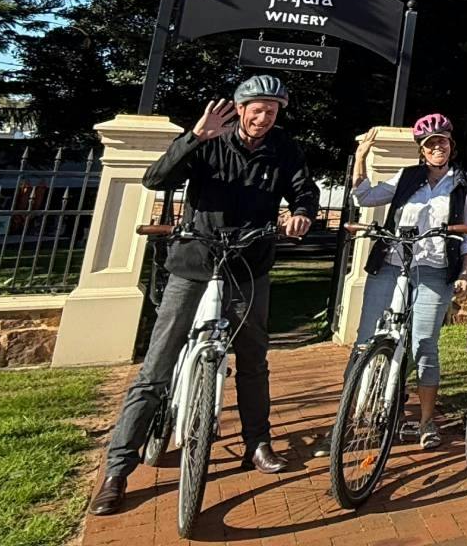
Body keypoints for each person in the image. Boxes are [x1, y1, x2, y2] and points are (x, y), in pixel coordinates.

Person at [90, 75, 317, 516]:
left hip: (249, 264)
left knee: (253, 360)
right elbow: (155, 179)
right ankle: (117, 471)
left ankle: (257, 442)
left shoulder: (284, 147)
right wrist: (194, 137)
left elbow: (302, 190)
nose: (264, 115)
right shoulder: (210, 138)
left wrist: (302, 213)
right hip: (193, 262)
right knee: (156, 368)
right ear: (239, 107)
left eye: (272, 108)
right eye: (257, 107)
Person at [347, 112, 467, 449]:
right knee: (367, 338)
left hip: (434, 269)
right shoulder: (407, 176)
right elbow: (364, 197)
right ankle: (350, 416)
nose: (437, 148)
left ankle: (426, 420)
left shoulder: (463, 181)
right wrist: (360, 159)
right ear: (422, 150)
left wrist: (465, 270)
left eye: (443, 142)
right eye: (430, 144)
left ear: (451, 146)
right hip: (392, 263)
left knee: (423, 343)